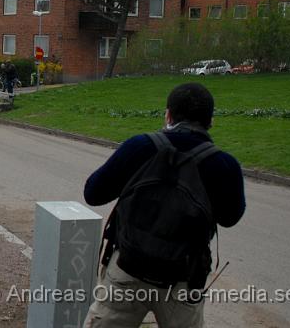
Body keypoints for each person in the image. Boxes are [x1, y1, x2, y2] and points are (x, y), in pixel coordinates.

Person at [82, 82, 245, 328]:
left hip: (128, 269)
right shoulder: (223, 165)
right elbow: (230, 217)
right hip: (183, 278)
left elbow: (93, 193)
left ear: (168, 114)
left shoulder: (140, 146)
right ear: (210, 121)